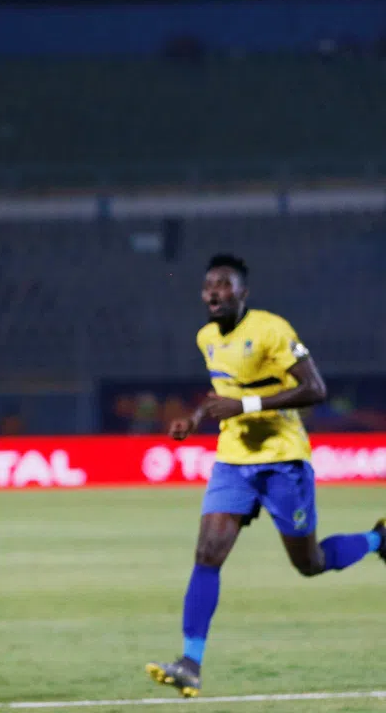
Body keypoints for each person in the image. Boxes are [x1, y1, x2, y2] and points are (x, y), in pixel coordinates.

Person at [146, 254, 384, 697]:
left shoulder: (272, 329)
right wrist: (197, 417)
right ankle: (190, 663)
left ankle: (377, 540)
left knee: (308, 563)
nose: (214, 292)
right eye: (208, 286)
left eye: (224, 284)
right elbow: (225, 391)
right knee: (207, 554)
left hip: (282, 460)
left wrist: (246, 407)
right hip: (233, 458)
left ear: (243, 293)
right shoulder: (206, 338)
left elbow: (316, 389)